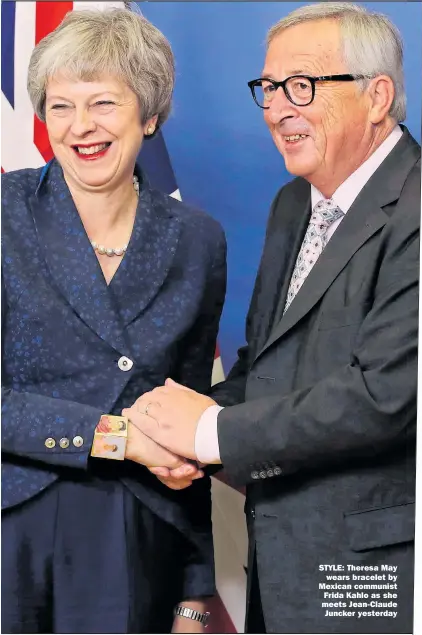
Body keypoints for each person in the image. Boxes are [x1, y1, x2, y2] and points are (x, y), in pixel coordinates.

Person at [124, 3, 419, 633]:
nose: (277, 108)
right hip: (282, 572)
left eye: (302, 86)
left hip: (374, 582)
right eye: (268, 88)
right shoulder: (294, 202)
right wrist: (177, 432)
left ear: (377, 96)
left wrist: (209, 434)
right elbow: (265, 368)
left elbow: (387, 397)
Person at [1, 8, 226, 634]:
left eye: (102, 102)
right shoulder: (4, 212)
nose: (80, 127)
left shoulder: (197, 240)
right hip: (11, 535)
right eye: (61, 106)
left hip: (139, 543)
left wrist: (192, 595)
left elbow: (191, 419)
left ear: (148, 115)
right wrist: (115, 435)